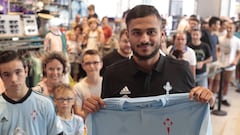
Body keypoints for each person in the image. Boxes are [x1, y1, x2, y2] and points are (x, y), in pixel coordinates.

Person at [82, 5, 214, 113]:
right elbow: (107, 117)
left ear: (162, 35)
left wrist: (206, 99)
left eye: (151, 32)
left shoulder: (181, 70)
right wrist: (93, 108)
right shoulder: (112, 74)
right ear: (128, 36)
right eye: (137, 33)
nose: (144, 39)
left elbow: (192, 113)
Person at [0, 50, 63, 135]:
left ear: (26, 71)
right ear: (1, 77)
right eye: (7, 74)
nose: (13, 79)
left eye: (18, 72)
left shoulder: (45, 104)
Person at [73, 49, 103, 118]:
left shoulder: (108, 83)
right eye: (88, 63)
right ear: (83, 66)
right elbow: (78, 113)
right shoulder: (78, 88)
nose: (92, 66)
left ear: (101, 64)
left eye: (95, 63)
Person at [217, 22, 240, 106]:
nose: (229, 29)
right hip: (220, 64)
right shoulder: (220, 39)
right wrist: (217, 56)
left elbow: (239, 52)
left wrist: (235, 61)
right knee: (218, 81)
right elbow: (217, 49)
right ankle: (217, 96)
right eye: (228, 28)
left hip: (230, 65)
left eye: (231, 28)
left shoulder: (237, 40)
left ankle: (224, 97)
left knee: (226, 82)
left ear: (234, 29)